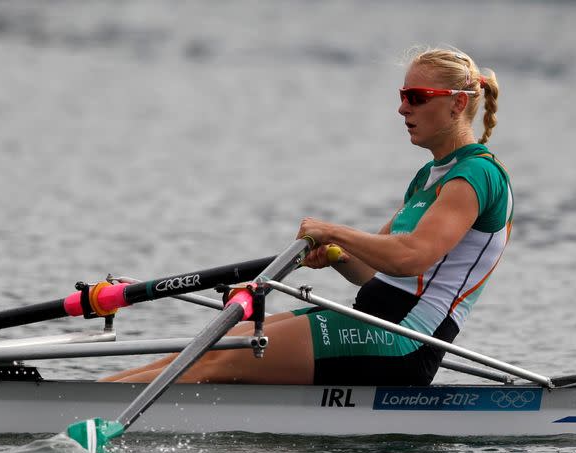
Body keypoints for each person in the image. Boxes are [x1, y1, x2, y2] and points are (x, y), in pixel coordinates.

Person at [101, 46, 511, 386]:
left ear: (458, 103)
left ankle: (69, 416)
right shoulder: (429, 175)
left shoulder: (477, 175)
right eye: (402, 95)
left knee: (216, 361)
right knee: (210, 344)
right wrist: (339, 256)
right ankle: (86, 395)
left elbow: (412, 257)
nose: (402, 108)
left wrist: (334, 230)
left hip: (405, 342)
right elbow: (377, 272)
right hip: (372, 319)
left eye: (416, 97)